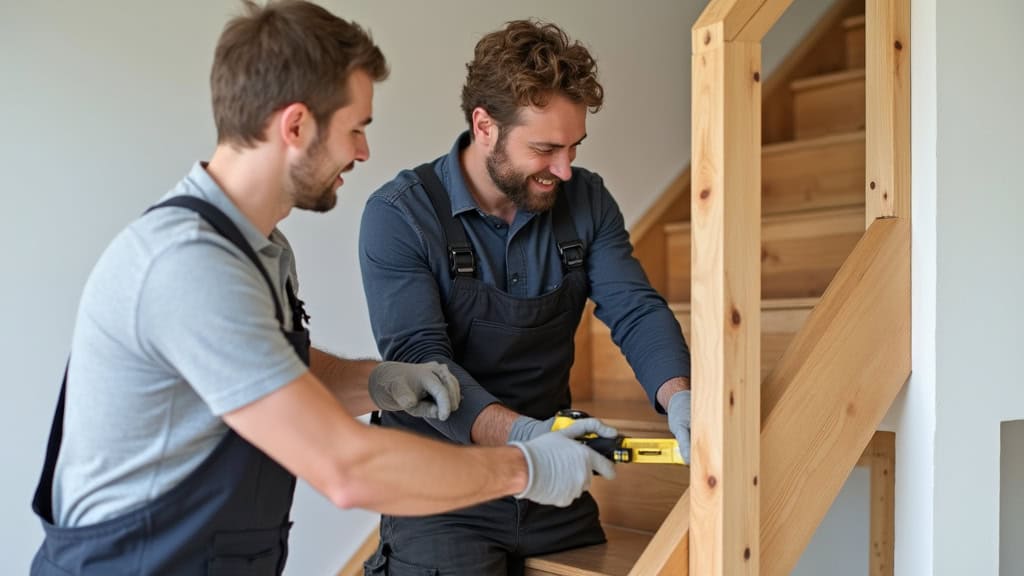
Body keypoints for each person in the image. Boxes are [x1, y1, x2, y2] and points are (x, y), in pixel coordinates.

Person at [29, 4, 618, 575]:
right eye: (355, 129)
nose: (363, 151)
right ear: (296, 125)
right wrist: (525, 466)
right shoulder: (187, 265)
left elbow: (272, 370)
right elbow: (347, 469)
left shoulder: (261, 248)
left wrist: (379, 383)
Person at [358, 18, 693, 575]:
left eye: (573, 147)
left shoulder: (586, 200)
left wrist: (679, 396)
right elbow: (421, 362)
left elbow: (634, 309)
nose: (564, 169)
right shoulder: (400, 215)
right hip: (443, 492)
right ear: (484, 126)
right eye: (545, 149)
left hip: (552, 491)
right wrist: (529, 439)